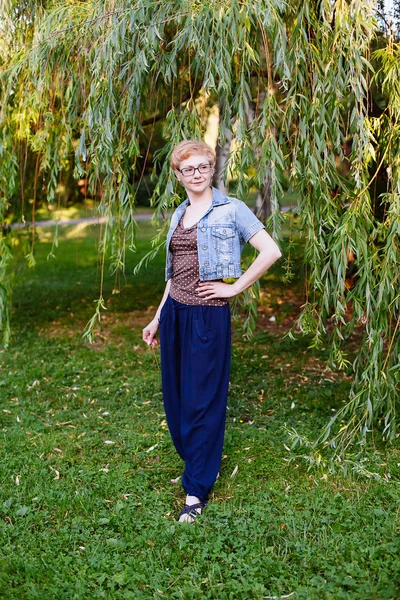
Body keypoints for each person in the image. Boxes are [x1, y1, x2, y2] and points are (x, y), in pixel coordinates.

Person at [142, 140, 282, 523]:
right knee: (177, 399)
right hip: (174, 314)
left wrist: (234, 287)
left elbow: (270, 251)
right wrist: (157, 317)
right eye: (189, 169)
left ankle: (196, 490)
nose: (197, 174)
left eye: (203, 166)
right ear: (178, 175)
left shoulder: (231, 209)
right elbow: (173, 275)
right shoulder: (179, 214)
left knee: (202, 400)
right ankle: (197, 465)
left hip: (208, 316)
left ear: (211, 169)